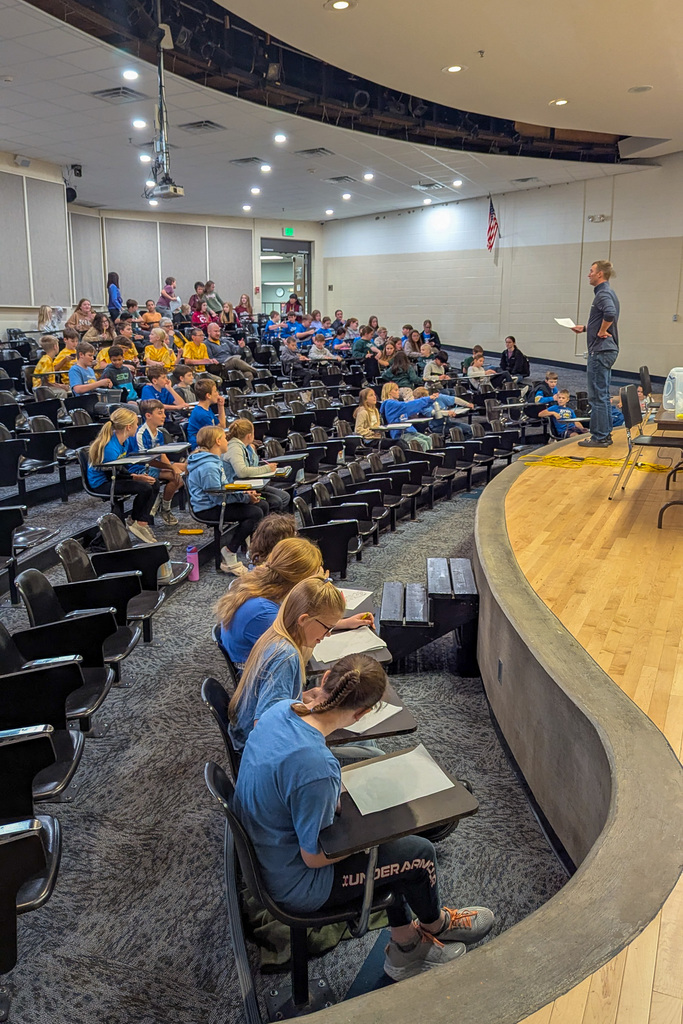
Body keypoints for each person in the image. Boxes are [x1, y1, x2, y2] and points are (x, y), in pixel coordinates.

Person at [233, 652, 494, 981]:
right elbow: (314, 857)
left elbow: (289, 780)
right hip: (297, 883)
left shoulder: (280, 710)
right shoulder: (316, 767)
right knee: (418, 854)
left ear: (325, 678)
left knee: (392, 849)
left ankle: (406, 941)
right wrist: (368, 839)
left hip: (267, 851)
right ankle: (433, 927)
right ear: (362, 714)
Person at [227, 576, 346, 750]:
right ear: (303, 620)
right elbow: (265, 729)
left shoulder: (276, 636)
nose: (328, 634)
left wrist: (302, 698)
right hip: (256, 749)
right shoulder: (286, 657)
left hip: (245, 736)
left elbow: (271, 699)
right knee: (368, 749)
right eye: (327, 627)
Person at [217, 537, 373, 666]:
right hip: (262, 679)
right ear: (298, 579)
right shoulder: (264, 612)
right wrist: (317, 592)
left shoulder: (264, 586)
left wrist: (342, 623)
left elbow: (296, 625)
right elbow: (300, 656)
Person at [187, 425, 266, 575]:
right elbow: (217, 496)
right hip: (207, 509)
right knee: (255, 513)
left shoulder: (213, 460)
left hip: (216, 502)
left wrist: (244, 493)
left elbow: (223, 488)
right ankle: (230, 552)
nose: (227, 441)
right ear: (217, 441)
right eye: (224, 438)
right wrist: (244, 498)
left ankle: (255, 549)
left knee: (262, 505)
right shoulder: (208, 466)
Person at [86, 406, 159, 543]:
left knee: (153, 482)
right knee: (145, 487)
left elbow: (121, 468)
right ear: (128, 427)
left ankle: (140, 521)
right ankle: (135, 521)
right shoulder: (110, 447)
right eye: (136, 424)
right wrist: (136, 477)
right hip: (103, 483)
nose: (137, 426)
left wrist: (136, 476)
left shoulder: (124, 440)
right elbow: (111, 474)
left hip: (115, 476)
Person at [571, 260, 620, 447]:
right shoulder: (609, 292)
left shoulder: (603, 294)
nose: (588, 274)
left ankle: (599, 437)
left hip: (600, 350)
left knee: (597, 397)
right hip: (607, 349)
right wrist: (586, 328)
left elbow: (610, 313)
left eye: (591, 271)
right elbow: (605, 316)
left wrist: (601, 331)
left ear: (600, 274)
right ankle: (604, 435)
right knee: (603, 395)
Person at [134, 399, 186, 525]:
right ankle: (165, 509)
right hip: (141, 468)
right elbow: (146, 460)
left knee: (186, 468)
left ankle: (162, 501)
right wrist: (171, 467)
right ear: (148, 415)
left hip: (155, 465)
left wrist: (171, 466)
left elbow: (162, 454)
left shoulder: (159, 432)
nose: (164, 416)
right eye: (160, 413)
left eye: (163, 412)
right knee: (175, 476)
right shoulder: (140, 433)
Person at [225, 418, 290, 513]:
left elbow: (253, 467)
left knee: (285, 496)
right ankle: (268, 521)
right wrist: (267, 468)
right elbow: (242, 472)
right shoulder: (234, 448)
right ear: (249, 435)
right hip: (239, 489)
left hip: (251, 484)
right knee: (276, 501)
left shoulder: (247, 447)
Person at [379, 381, 435, 449]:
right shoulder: (390, 404)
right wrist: (427, 399)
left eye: (398, 390)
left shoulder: (397, 403)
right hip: (400, 433)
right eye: (396, 390)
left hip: (409, 431)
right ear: (389, 392)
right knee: (423, 443)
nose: (398, 392)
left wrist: (429, 402)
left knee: (428, 439)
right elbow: (408, 406)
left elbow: (413, 409)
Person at [186, 379, 225, 450]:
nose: (217, 394)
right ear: (208, 395)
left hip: (209, 441)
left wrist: (221, 406)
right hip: (200, 447)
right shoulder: (202, 414)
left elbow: (222, 426)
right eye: (215, 391)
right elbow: (214, 435)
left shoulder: (207, 409)